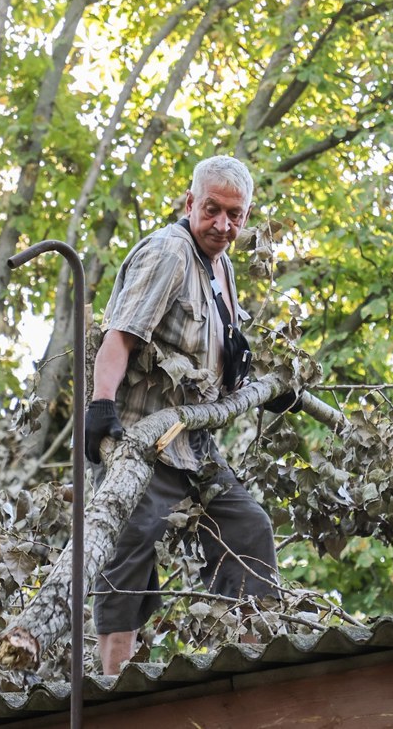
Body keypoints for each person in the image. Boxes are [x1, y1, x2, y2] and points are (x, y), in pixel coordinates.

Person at [84, 154, 279, 675]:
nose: (223, 225)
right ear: (190, 201)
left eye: (235, 215)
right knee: (128, 560)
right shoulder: (169, 252)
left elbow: (214, 356)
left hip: (193, 446)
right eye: (212, 209)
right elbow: (119, 338)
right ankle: (115, 688)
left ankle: (251, 668)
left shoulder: (222, 266)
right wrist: (101, 404)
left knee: (248, 530)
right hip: (143, 445)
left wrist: (257, 387)